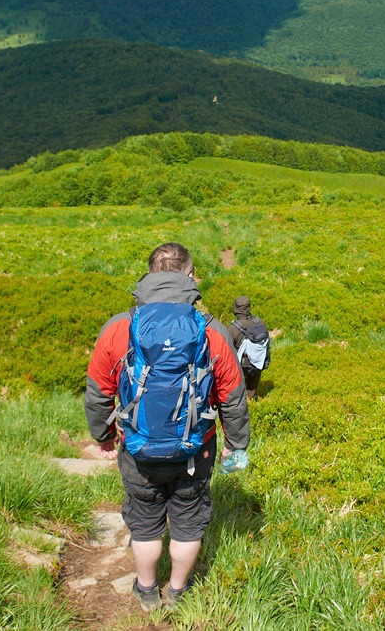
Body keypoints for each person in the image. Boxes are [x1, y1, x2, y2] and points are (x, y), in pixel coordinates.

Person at [84, 242, 250, 613]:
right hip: (196, 445)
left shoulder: (119, 327)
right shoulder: (211, 330)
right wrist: (235, 444)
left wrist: (105, 437)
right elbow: (233, 396)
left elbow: (98, 393)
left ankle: (146, 590)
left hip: (138, 446)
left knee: (144, 521)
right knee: (188, 521)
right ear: (189, 276)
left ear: (149, 276)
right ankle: (177, 591)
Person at [228, 296, 271, 401]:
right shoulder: (259, 322)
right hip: (258, 362)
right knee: (253, 390)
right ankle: (253, 405)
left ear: (236, 309)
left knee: (239, 393)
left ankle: (244, 410)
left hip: (242, 366)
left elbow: (228, 350)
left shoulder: (233, 328)